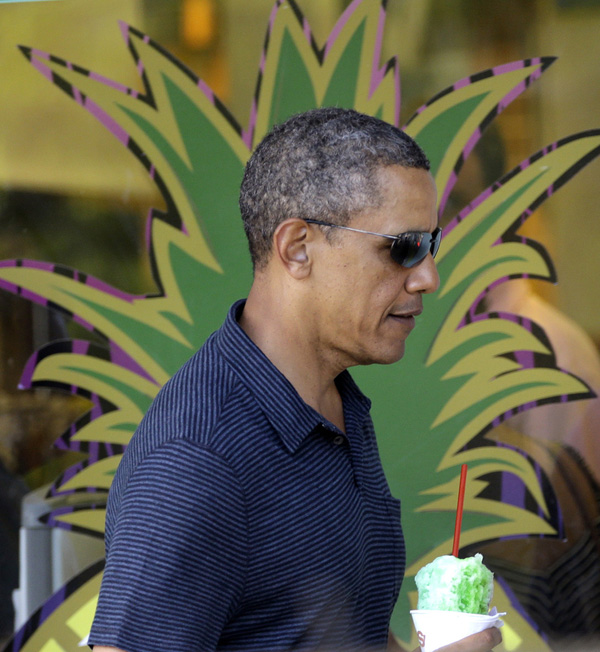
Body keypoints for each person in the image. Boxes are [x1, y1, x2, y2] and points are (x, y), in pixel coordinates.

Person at [88, 108, 502, 652]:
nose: (428, 276)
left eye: (432, 244)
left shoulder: (330, 404)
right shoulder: (197, 459)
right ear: (297, 249)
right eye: (403, 247)